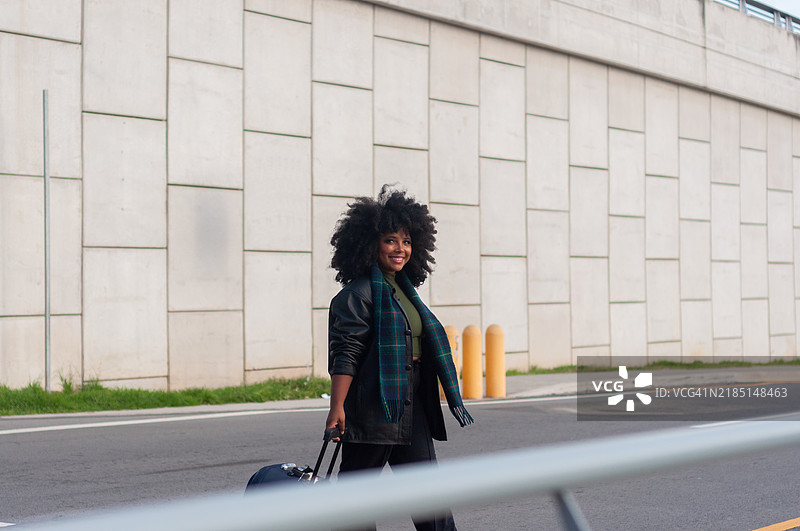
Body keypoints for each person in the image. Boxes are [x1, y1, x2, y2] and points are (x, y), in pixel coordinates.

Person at [325, 185, 473, 531]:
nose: (400, 249)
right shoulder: (356, 295)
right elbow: (346, 354)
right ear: (369, 243)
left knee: (429, 497)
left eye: (407, 241)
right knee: (355, 502)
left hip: (412, 403)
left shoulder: (405, 291)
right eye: (391, 240)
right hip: (373, 407)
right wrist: (337, 408)